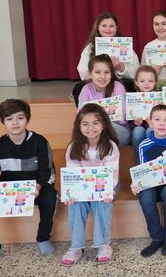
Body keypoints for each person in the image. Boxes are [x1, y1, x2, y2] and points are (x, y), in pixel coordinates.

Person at [0, 99, 57, 270]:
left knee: (50, 197)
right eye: (9, 119)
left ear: (27, 119)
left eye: (20, 118)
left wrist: (38, 186)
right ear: (3, 121)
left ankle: (43, 238)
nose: (15, 123)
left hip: (34, 188)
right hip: (8, 188)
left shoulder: (40, 142)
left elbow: (48, 173)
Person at [61, 103, 120, 265]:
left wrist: (107, 191)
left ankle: (103, 244)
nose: (90, 128)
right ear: (78, 126)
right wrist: (72, 193)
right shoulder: (74, 147)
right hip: (82, 188)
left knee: (102, 202)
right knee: (75, 204)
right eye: (85, 124)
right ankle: (76, 247)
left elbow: (112, 174)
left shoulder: (110, 146)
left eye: (95, 123)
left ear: (103, 126)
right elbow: (73, 173)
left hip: (107, 186)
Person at [131, 104, 166, 257]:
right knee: (145, 195)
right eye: (157, 119)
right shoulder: (144, 145)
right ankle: (156, 237)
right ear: (149, 122)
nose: (161, 123)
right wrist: (137, 184)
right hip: (153, 185)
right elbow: (143, 172)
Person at [73, 12, 140, 103]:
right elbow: (82, 69)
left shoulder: (125, 45)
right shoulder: (91, 47)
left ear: (116, 28)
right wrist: (96, 75)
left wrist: (121, 68)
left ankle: (124, 114)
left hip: (119, 81)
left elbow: (136, 72)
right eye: (104, 25)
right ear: (98, 28)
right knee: (79, 87)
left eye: (111, 26)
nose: (108, 29)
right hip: (96, 82)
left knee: (131, 85)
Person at [78, 54, 131, 147]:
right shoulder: (86, 89)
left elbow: (122, 119)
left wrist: (97, 121)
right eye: (97, 72)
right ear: (90, 74)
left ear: (111, 73)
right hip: (92, 130)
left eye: (106, 72)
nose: (102, 76)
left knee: (99, 132)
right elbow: (80, 116)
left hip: (118, 130)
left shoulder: (118, 87)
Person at [130, 65, 159, 163]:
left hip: (155, 127)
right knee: (138, 131)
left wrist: (155, 120)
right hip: (138, 128)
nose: (146, 84)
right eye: (142, 81)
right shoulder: (132, 99)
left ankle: (153, 160)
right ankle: (139, 161)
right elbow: (129, 121)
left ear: (155, 83)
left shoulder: (159, 98)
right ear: (136, 82)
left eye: (150, 81)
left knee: (150, 130)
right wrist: (135, 122)